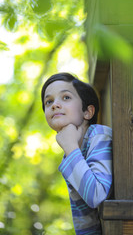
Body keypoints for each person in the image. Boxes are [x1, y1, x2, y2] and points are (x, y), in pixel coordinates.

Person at [41, 72, 112, 235]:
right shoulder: (71, 155)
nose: (54, 105)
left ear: (87, 112)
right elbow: (85, 220)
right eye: (48, 101)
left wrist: (71, 147)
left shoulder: (99, 135)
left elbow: (96, 195)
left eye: (65, 97)